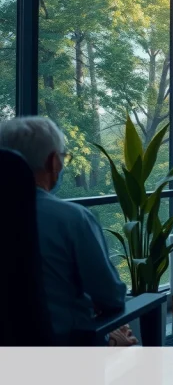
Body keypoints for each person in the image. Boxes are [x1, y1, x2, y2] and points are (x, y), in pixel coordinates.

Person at [0, 117, 135, 346]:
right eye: (64, 158)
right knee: (127, 339)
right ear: (53, 162)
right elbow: (111, 297)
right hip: (62, 351)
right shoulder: (71, 219)